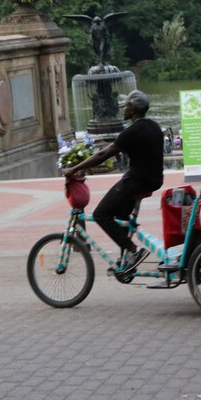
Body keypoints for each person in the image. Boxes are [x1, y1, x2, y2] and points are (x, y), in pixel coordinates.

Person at [63, 90, 163, 275]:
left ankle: (132, 251)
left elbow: (103, 154)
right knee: (120, 218)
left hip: (137, 181)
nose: (123, 108)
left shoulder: (132, 131)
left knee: (101, 214)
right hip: (153, 180)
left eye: (126, 106)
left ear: (133, 109)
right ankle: (125, 261)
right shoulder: (154, 126)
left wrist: (75, 169)